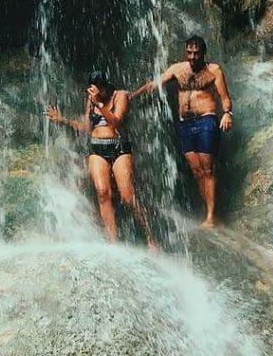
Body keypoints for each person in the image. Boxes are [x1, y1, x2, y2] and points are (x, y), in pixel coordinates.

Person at [45, 71, 157, 250]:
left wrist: (99, 103)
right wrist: (63, 120)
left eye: (99, 91)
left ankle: (151, 238)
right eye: (93, 91)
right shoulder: (91, 99)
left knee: (127, 196)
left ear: (105, 87)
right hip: (97, 149)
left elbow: (115, 122)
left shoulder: (120, 96)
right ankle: (113, 243)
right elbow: (88, 128)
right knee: (103, 193)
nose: (95, 94)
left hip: (119, 147)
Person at [132, 35, 233, 228]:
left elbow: (224, 97)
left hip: (206, 121)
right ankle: (207, 210)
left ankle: (211, 217)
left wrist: (227, 113)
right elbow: (155, 84)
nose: (192, 57)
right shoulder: (177, 69)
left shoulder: (213, 71)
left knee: (208, 170)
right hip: (185, 125)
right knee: (196, 171)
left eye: (196, 53)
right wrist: (133, 95)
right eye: (189, 52)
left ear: (203, 53)